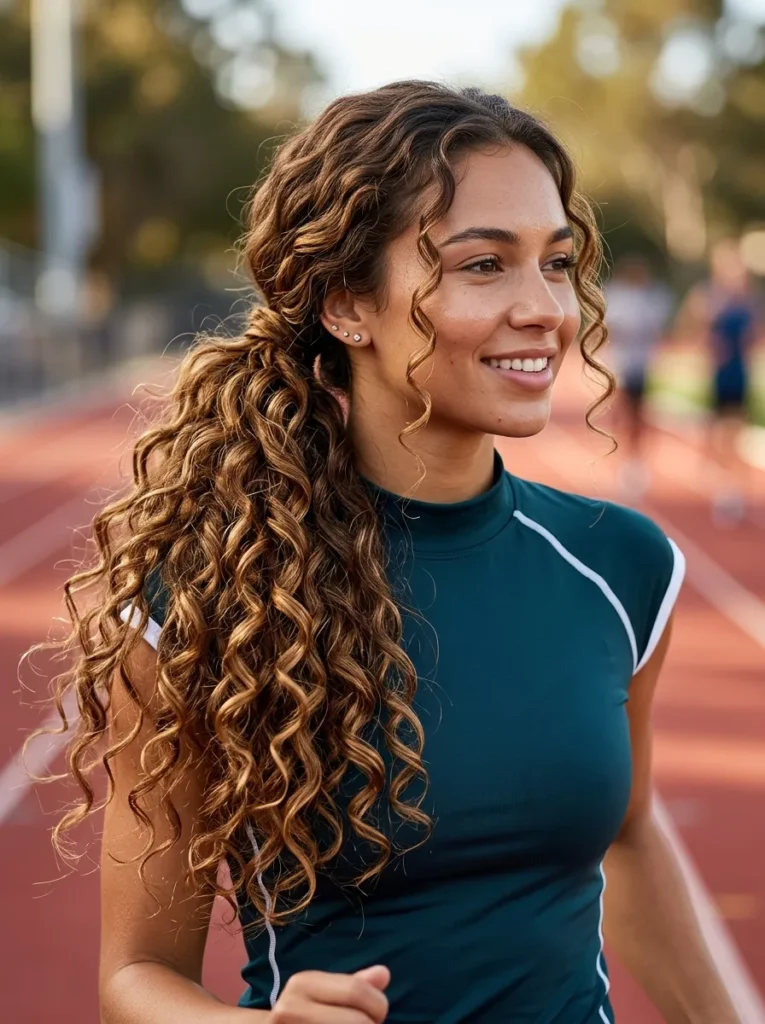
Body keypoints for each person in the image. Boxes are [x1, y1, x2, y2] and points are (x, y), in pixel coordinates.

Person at [45, 82, 741, 1023]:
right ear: (346, 305)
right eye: (484, 265)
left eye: (557, 262)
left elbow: (628, 835)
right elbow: (133, 977)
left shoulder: (622, 568)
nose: (545, 308)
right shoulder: (214, 597)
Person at [679, 238, 760, 525]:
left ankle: (733, 493)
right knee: (717, 434)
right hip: (719, 375)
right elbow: (692, 325)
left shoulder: (748, 301)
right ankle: (721, 486)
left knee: (734, 433)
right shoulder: (709, 298)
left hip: (740, 375)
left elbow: (754, 335)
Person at [604, 254, 673, 498]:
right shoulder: (617, 297)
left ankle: (635, 461)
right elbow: (609, 329)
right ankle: (622, 460)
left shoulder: (652, 299)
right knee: (621, 414)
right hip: (619, 365)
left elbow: (658, 329)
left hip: (641, 365)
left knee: (639, 415)